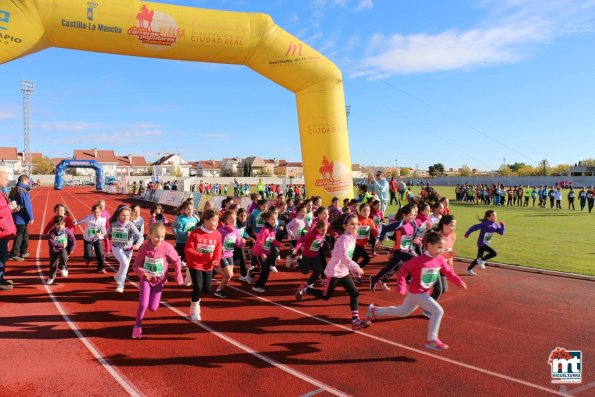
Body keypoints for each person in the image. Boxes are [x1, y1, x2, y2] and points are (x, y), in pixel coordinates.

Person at [365, 231, 467, 351]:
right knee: (438, 311)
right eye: (439, 247)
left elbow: (448, 271)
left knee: (401, 312)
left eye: (442, 248)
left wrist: (458, 281)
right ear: (429, 245)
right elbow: (403, 270)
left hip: (422, 293)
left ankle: (374, 311)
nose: (441, 250)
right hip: (416, 292)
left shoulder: (439, 260)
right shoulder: (419, 260)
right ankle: (432, 340)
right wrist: (402, 286)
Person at [295, 213, 371, 331]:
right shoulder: (344, 239)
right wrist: (356, 268)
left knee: (354, 293)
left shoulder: (351, 236)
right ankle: (305, 289)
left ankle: (355, 320)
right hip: (334, 272)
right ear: (344, 226)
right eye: (352, 224)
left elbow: (348, 258)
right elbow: (345, 257)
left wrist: (354, 271)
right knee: (326, 296)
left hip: (344, 272)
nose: (355, 226)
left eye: (356, 224)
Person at [131, 222, 183, 339]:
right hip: (146, 280)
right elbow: (136, 265)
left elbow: (177, 261)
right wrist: (142, 273)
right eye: (156, 236)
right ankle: (137, 326)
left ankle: (147, 311)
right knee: (143, 304)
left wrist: (178, 275)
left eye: (162, 237)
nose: (159, 240)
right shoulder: (145, 248)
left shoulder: (167, 247)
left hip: (159, 281)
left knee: (153, 308)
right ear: (149, 234)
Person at [184, 209, 222, 321]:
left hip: (208, 265)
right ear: (205, 220)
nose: (216, 223)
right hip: (195, 264)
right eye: (214, 220)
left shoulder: (217, 235)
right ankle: (194, 309)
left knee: (207, 289)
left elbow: (218, 249)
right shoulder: (196, 233)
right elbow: (188, 249)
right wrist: (202, 256)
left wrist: (216, 260)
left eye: (218, 221)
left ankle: (189, 275)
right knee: (198, 287)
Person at [371, 204, 418, 291]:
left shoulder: (414, 224)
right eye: (411, 215)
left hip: (406, 250)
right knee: (416, 259)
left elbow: (413, 237)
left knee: (389, 268)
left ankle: (375, 279)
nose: (413, 216)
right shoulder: (399, 224)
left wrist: (416, 240)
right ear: (404, 215)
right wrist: (380, 241)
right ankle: (409, 279)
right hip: (399, 251)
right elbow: (385, 229)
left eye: (414, 214)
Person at [110, 206, 144, 293]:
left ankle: (118, 276)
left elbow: (140, 236)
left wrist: (138, 244)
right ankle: (121, 285)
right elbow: (107, 232)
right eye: (123, 215)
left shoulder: (130, 225)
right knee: (124, 264)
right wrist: (104, 235)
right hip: (117, 247)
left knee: (125, 267)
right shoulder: (114, 224)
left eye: (128, 215)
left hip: (129, 249)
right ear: (118, 215)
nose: (126, 218)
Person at [464, 210, 505, 276]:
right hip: (481, 243)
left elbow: (501, 233)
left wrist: (502, 226)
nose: (495, 217)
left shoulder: (495, 225)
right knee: (494, 253)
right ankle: (482, 260)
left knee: (478, 258)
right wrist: (468, 233)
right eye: (493, 216)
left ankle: (469, 269)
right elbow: (474, 227)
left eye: (496, 216)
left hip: (486, 243)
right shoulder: (485, 224)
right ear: (488, 217)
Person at [251, 210, 282, 293]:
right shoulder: (264, 230)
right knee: (266, 269)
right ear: (267, 220)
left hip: (267, 252)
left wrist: (279, 244)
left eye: (275, 219)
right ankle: (257, 285)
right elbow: (258, 244)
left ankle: (251, 274)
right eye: (272, 219)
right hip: (258, 253)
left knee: (265, 269)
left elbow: (272, 240)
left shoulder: (273, 229)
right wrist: (262, 254)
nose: (274, 221)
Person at [293, 219, 327, 287]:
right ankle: (299, 260)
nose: (324, 232)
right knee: (304, 271)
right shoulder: (311, 235)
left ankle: (310, 283)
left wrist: (322, 244)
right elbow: (301, 240)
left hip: (315, 255)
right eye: (323, 230)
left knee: (318, 270)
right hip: (306, 255)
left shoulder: (322, 234)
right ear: (317, 229)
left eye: (326, 230)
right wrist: (297, 248)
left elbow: (319, 241)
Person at [8, 175, 34, 261]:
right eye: (27, 181)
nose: (28, 183)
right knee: (20, 234)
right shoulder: (22, 190)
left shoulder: (15, 189)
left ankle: (23, 251)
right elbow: (27, 205)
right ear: (23, 180)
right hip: (21, 216)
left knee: (24, 234)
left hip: (17, 215)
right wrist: (31, 217)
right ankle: (14, 253)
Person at [77, 204, 108, 273]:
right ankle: (87, 259)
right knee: (89, 256)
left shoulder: (103, 220)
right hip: (88, 239)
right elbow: (80, 221)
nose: (97, 214)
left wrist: (100, 235)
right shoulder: (89, 218)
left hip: (97, 239)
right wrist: (75, 222)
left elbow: (104, 231)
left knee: (100, 254)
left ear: (101, 212)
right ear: (92, 212)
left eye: (98, 212)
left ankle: (101, 268)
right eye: (95, 212)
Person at [46, 215, 76, 285]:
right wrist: (61, 245)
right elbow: (51, 242)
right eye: (58, 224)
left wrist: (73, 247)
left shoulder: (66, 231)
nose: (60, 226)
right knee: (53, 265)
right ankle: (52, 276)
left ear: (64, 224)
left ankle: (61, 267)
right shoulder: (52, 232)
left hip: (62, 249)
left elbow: (73, 238)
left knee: (64, 257)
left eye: (62, 224)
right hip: (53, 250)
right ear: (54, 225)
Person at [0, 167, 17, 290]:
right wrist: (9, 208)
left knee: (3, 255)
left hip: (3, 231)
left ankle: (1, 278)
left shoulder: (1, 193)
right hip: (1, 231)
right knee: (1, 256)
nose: (7, 181)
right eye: (6, 178)